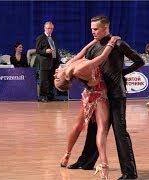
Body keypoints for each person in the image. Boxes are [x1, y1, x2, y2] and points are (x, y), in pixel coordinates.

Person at [67, 15, 144, 180]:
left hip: (116, 95)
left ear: (105, 28)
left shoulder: (118, 44)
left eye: (95, 29)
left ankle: (130, 172)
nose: (92, 32)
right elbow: (83, 67)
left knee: (120, 132)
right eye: (91, 29)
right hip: (99, 96)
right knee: (94, 130)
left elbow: (140, 61)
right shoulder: (93, 47)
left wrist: (122, 73)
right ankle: (86, 162)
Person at [56, 36, 120, 179]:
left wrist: (95, 41)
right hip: (99, 95)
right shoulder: (78, 69)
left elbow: (84, 50)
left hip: (89, 94)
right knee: (101, 129)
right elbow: (102, 57)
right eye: (56, 77)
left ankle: (66, 155)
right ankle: (104, 165)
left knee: (78, 126)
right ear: (64, 79)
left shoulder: (68, 65)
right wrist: (111, 42)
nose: (55, 73)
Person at [35, 21, 60, 102]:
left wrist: (58, 60)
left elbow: (56, 50)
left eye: (51, 28)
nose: (50, 30)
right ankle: (43, 96)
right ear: (44, 28)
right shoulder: (40, 38)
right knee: (43, 80)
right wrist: (46, 51)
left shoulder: (54, 38)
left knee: (51, 80)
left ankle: (51, 96)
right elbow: (38, 50)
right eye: (48, 28)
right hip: (44, 63)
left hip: (54, 62)